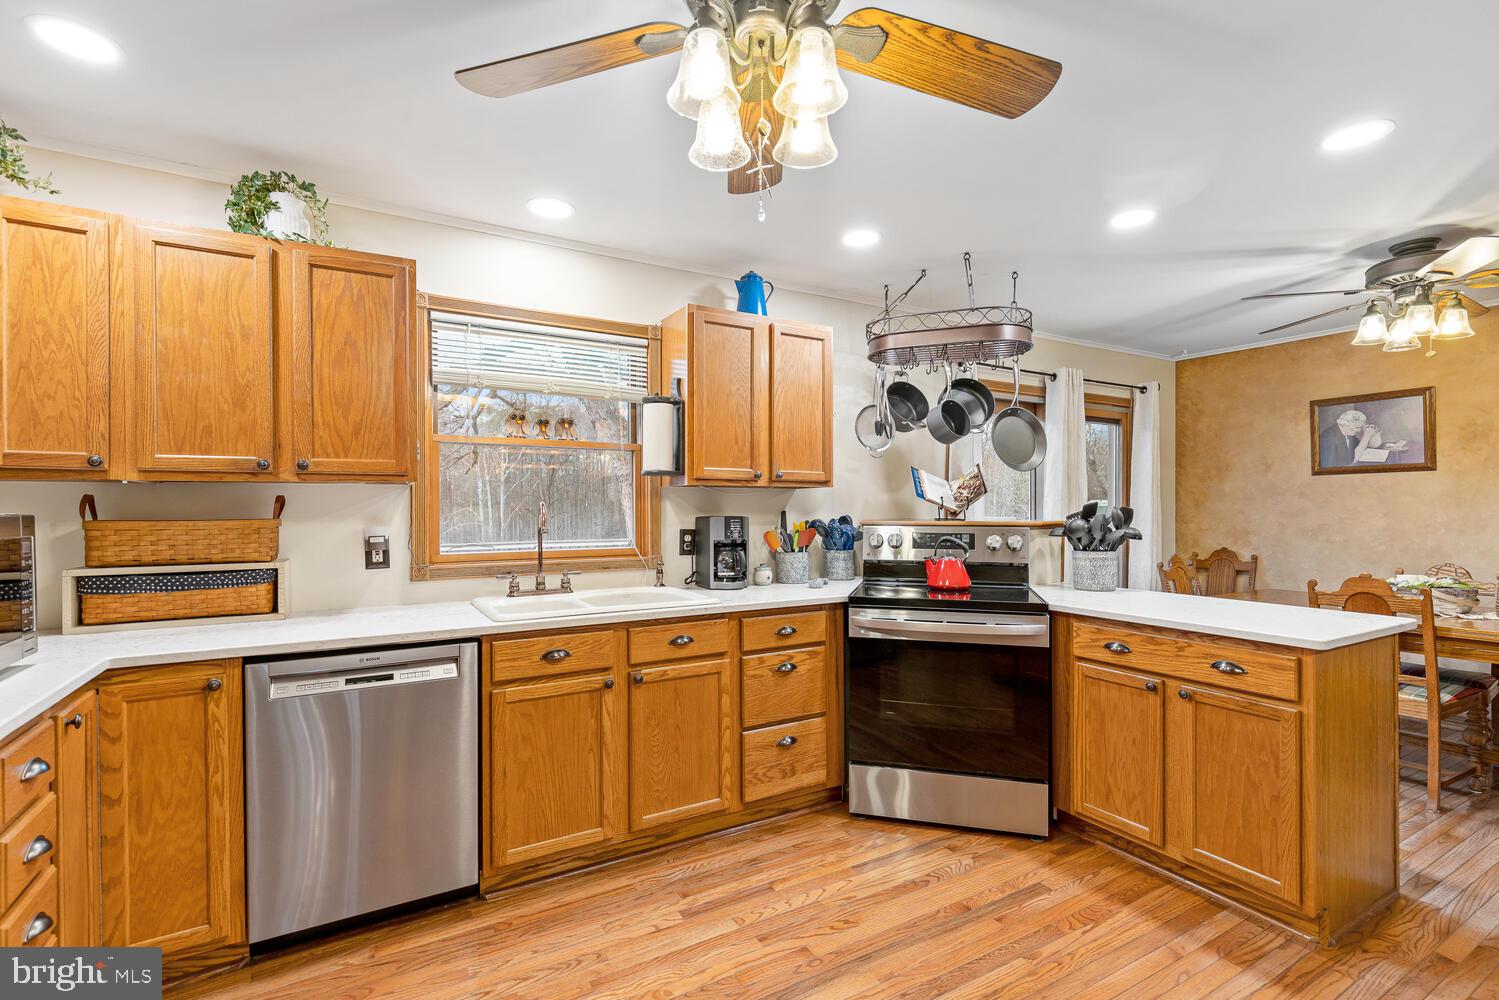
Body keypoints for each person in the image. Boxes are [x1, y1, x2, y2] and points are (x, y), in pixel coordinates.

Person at [1319, 409, 1408, 466]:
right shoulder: (1329, 437)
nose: (1358, 430)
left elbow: (1363, 448)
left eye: (1359, 427)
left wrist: (1381, 442)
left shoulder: (1348, 434)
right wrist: (1366, 435)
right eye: (1357, 427)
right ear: (1346, 424)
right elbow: (1352, 460)